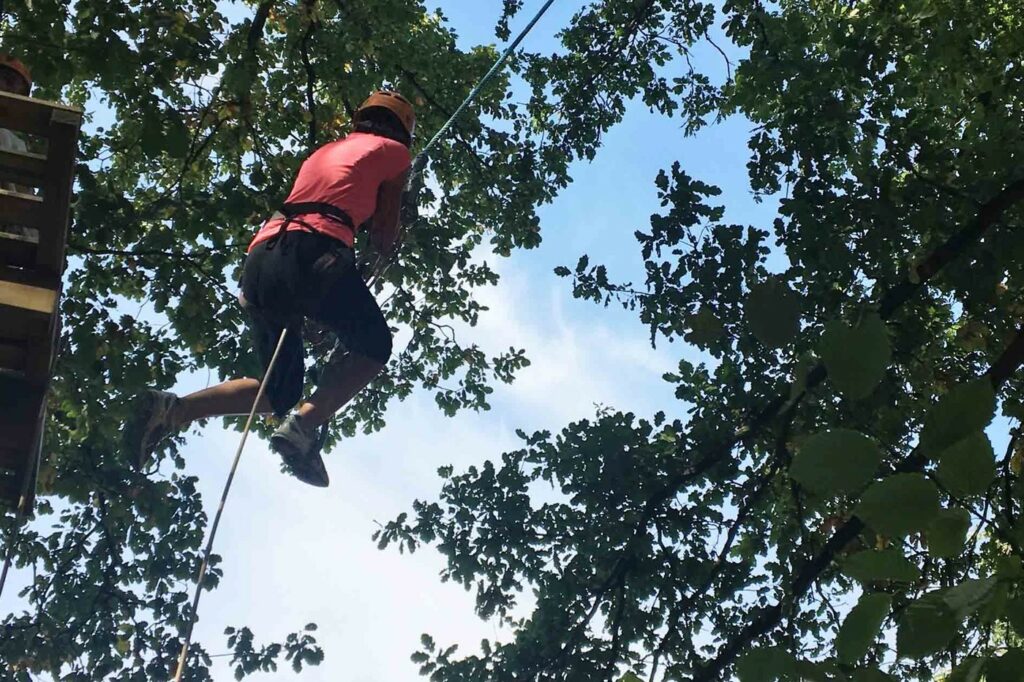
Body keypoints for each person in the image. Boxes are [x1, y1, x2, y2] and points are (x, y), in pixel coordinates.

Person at [123, 90, 415, 487]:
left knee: (280, 391)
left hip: (262, 259)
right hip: (312, 251)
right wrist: (387, 239)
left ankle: (173, 410)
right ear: (402, 130)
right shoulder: (396, 153)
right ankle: (303, 426)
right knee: (374, 345)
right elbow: (383, 234)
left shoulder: (326, 151)